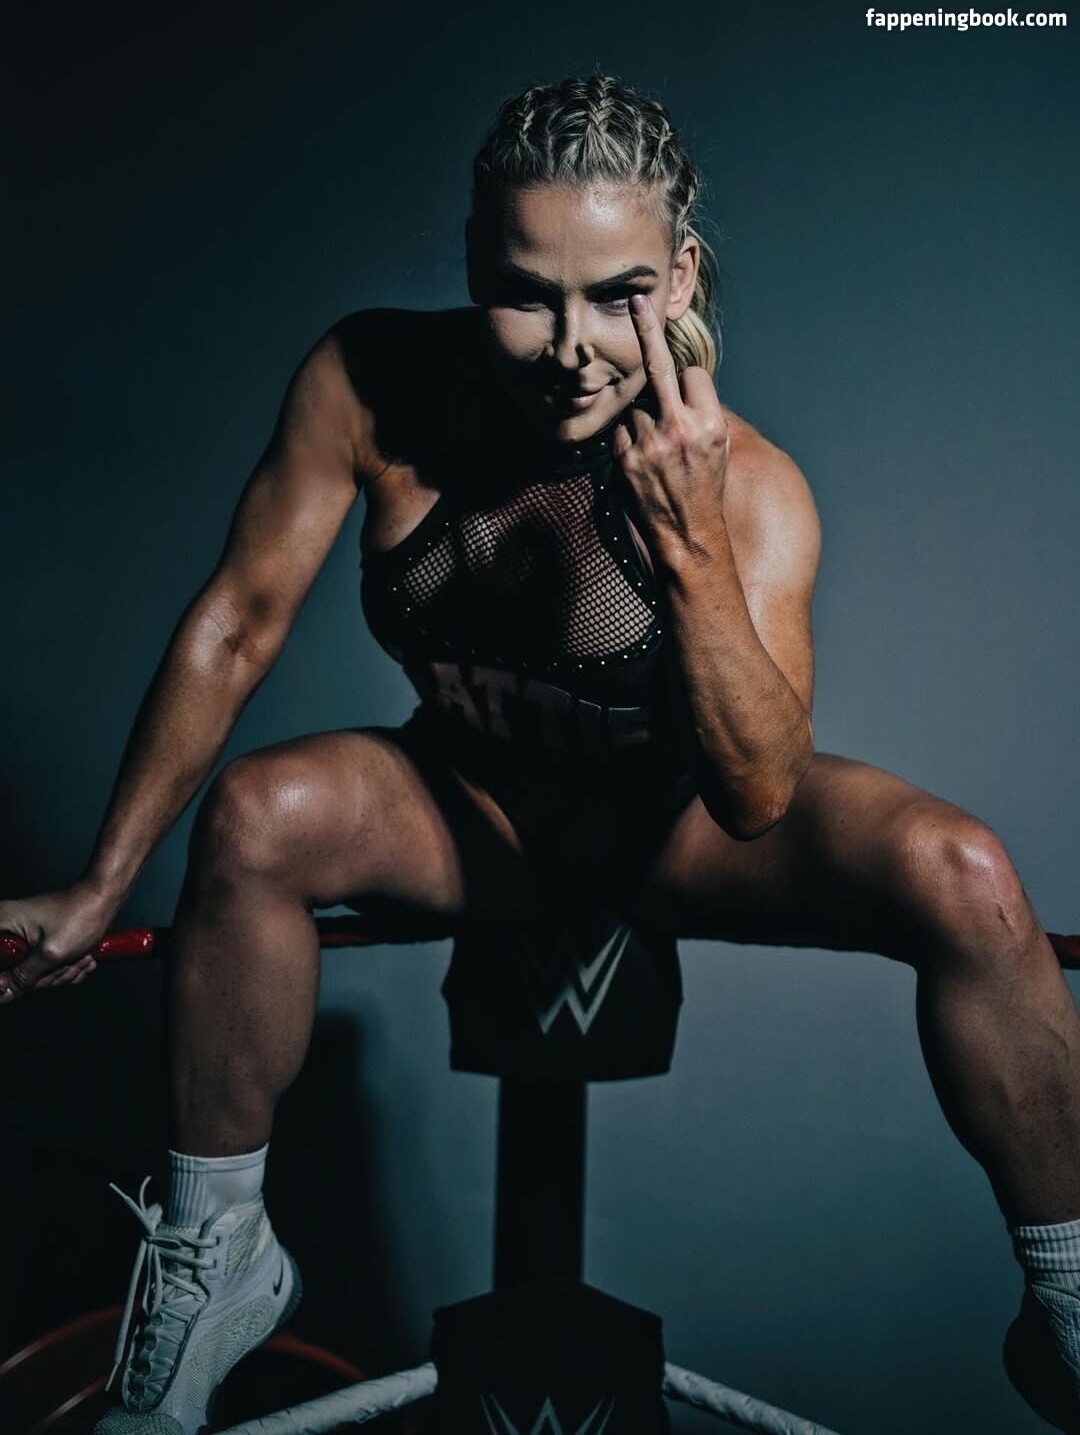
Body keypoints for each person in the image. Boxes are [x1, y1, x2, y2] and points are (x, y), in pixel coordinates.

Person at [1, 71, 1078, 1434]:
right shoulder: (367, 384)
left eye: (620, 294)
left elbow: (755, 794)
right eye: (529, 293)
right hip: (465, 818)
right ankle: (219, 1261)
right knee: (260, 813)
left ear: (682, 277)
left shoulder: (751, 485)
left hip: (677, 838)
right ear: (472, 262)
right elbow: (239, 621)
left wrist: (686, 542)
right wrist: (100, 884)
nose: (574, 348)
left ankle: (1070, 1299)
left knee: (965, 873)